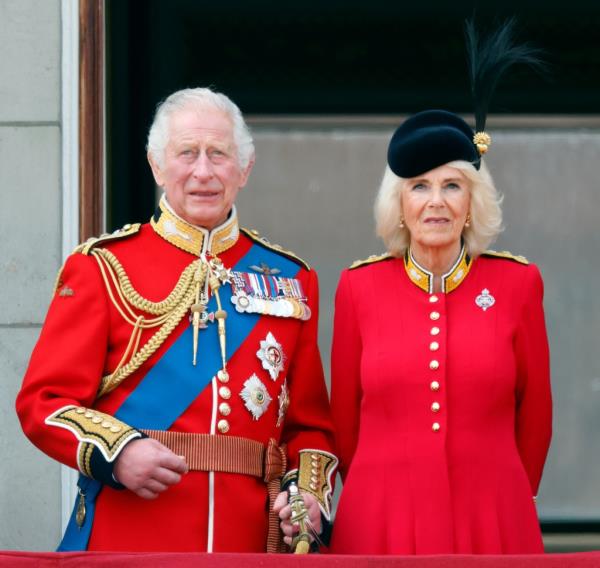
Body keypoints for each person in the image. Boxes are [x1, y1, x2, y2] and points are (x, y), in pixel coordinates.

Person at [16, 87, 337, 553]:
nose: (203, 172)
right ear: (157, 165)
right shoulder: (103, 267)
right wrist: (118, 452)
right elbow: (44, 402)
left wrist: (306, 493)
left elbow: (312, 429)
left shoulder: (291, 279)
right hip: (129, 537)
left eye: (219, 154)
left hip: (245, 542)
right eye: (187, 153)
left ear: (244, 168)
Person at [328, 25, 552, 555]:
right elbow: (344, 425)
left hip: (493, 509)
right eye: (419, 187)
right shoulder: (358, 287)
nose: (436, 202)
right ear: (399, 205)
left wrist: (511, 493)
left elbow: (536, 415)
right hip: (379, 513)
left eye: (452, 185)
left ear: (472, 201)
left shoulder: (518, 283)